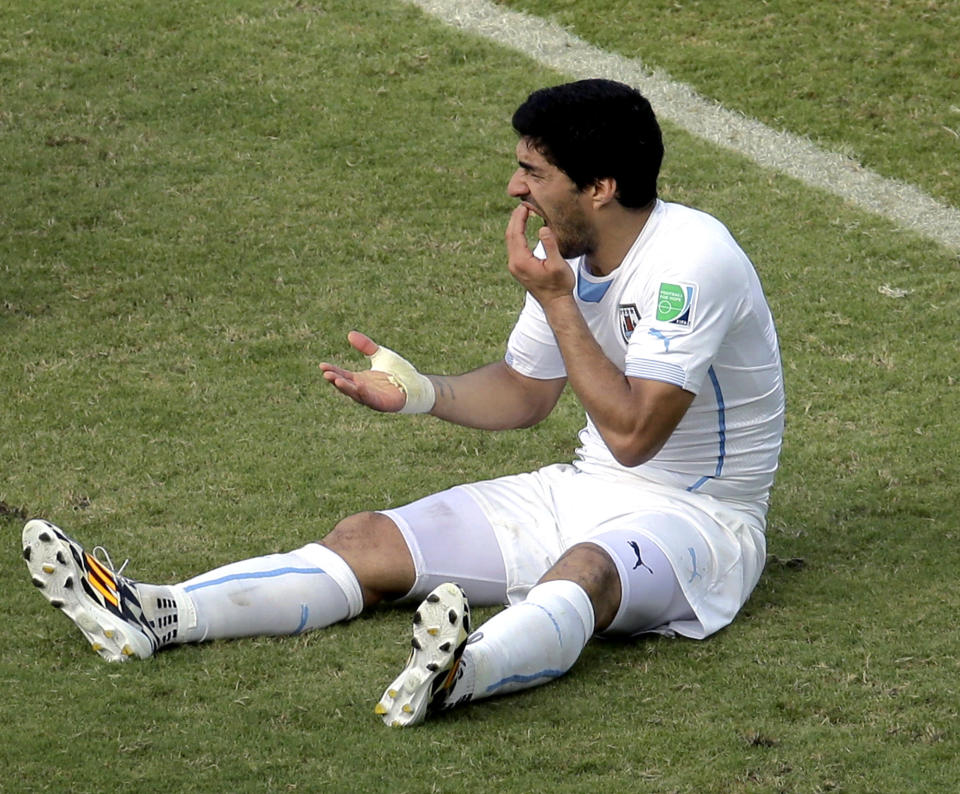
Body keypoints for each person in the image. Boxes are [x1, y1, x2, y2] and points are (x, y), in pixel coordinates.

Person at [22, 79, 785, 728]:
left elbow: (633, 435)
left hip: (701, 520)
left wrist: (556, 301)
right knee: (366, 541)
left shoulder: (692, 263)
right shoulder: (572, 255)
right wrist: (424, 394)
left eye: (534, 173)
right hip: (584, 488)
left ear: (600, 186)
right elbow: (525, 391)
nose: (516, 189)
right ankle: (154, 613)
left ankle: (459, 673)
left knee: (582, 571)